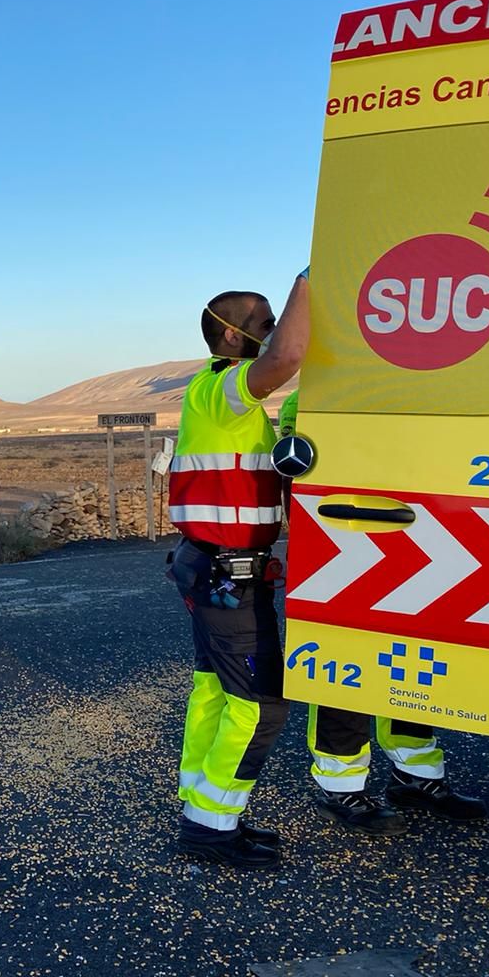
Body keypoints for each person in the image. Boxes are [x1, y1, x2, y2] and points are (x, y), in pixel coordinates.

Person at [277, 390, 486, 829]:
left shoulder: (415, 392)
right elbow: (300, 484)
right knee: (345, 672)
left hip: (416, 549)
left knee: (413, 668)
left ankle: (416, 775)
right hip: (343, 550)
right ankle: (342, 787)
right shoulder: (315, 398)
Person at [166, 268, 310, 868]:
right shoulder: (222, 389)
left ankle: (205, 818)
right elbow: (288, 358)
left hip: (217, 570)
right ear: (231, 339)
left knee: (216, 695)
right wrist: (311, 281)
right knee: (260, 704)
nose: (274, 332)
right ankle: (213, 827)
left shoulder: (227, 403)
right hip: (228, 575)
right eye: (263, 324)